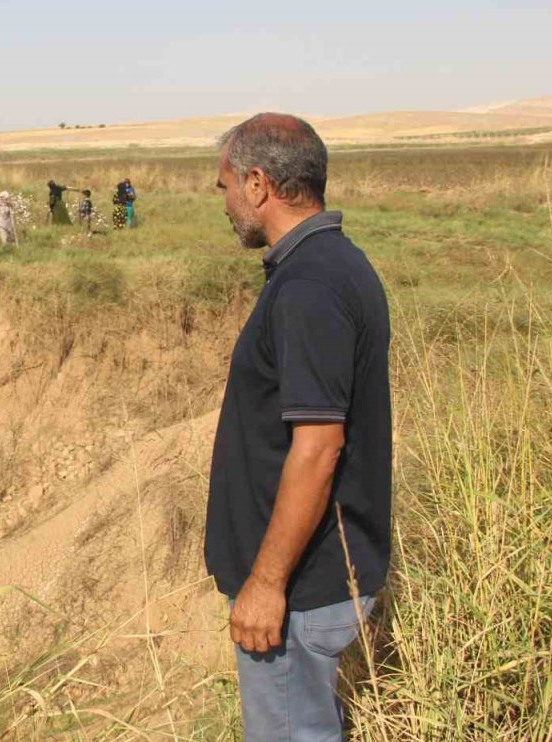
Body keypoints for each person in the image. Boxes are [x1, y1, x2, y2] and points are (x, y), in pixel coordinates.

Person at [205, 113, 391, 741]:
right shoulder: (329, 264)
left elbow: (318, 448)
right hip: (307, 582)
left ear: (258, 183)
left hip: (300, 591)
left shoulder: (310, 284)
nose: (226, 203)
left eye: (227, 185)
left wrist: (265, 584)